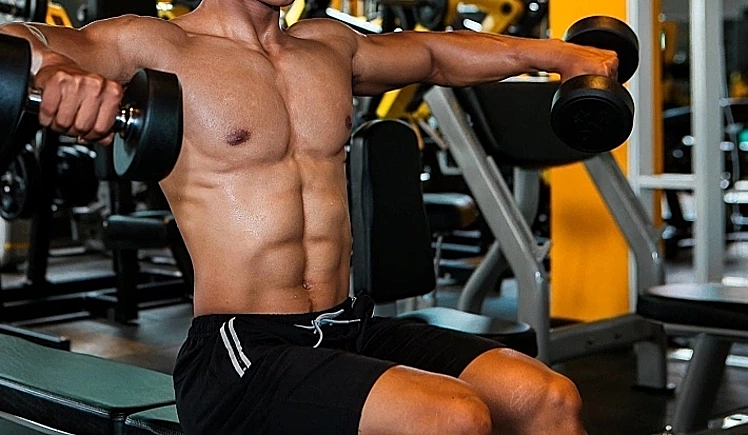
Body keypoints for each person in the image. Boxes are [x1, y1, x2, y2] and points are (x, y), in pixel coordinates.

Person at [1, 2, 618, 433]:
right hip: (243, 352)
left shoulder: (329, 46)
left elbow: (433, 53)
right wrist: (54, 72)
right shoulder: (156, 46)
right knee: (450, 416)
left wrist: (562, 55)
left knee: (547, 397)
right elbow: (16, 36)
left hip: (350, 327)